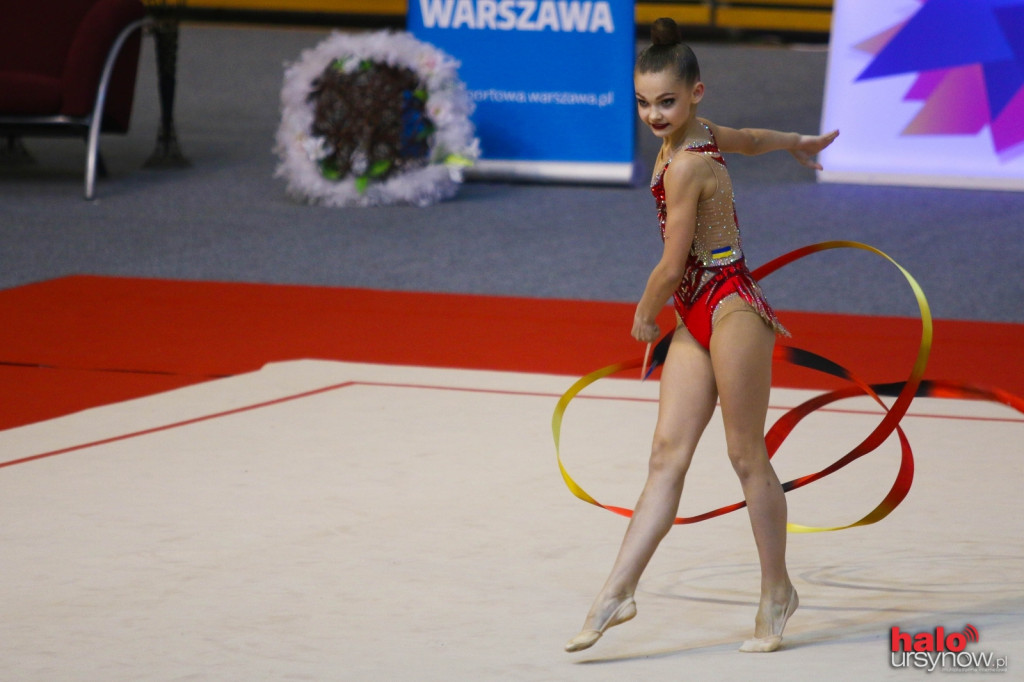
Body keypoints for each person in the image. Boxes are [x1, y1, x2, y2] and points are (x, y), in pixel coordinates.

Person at [564, 17, 839, 654]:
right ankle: (618, 590)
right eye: (643, 102)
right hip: (694, 308)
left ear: (696, 94)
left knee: (745, 455)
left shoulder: (688, 162)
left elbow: (670, 260)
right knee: (667, 455)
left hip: (729, 306)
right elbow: (749, 139)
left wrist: (642, 316)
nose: (653, 114)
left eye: (666, 102)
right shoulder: (696, 137)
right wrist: (794, 141)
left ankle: (777, 590)